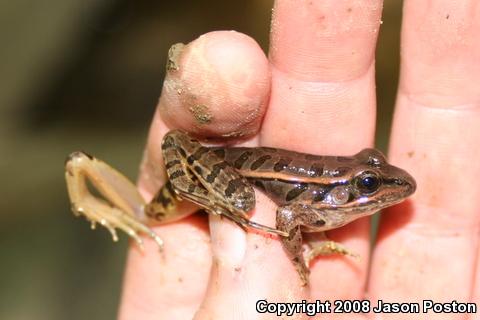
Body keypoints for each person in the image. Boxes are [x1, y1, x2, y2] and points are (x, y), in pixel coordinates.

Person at [118, 1, 480, 319]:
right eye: (368, 183)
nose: (379, 188)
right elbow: (287, 214)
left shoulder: (336, 203)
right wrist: (295, 258)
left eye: (369, 178)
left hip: (238, 161)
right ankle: (198, 197)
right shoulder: (318, 207)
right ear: (345, 190)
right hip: (222, 172)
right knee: (244, 202)